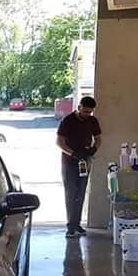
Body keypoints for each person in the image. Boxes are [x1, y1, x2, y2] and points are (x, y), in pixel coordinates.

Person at [56, 96, 102, 237]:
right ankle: (70, 225)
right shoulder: (68, 120)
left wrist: (93, 150)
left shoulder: (92, 121)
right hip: (69, 163)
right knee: (71, 193)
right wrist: (72, 153)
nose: (87, 114)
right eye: (85, 111)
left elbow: (99, 138)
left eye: (90, 112)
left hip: (85, 161)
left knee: (81, 192)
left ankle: (77, 224)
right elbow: (59, 142)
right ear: (79, 107)